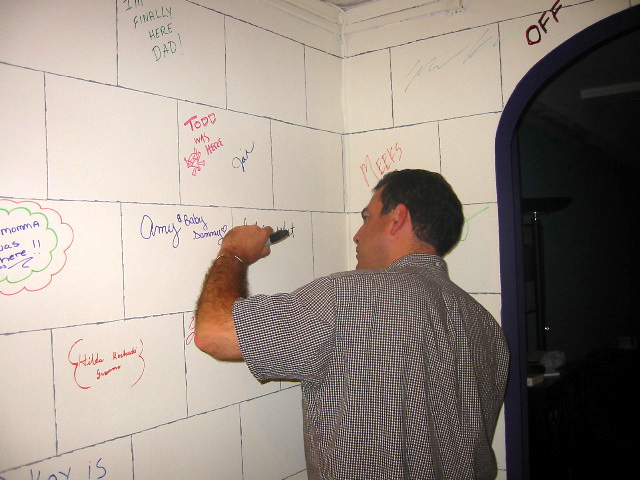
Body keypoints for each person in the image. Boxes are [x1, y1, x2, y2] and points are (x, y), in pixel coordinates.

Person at [195, 169, 510, 480]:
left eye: (366, 217)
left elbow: (215, 333)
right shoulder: (487, 329)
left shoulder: (345, 297)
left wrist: (234, 253)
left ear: (397, 218)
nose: (357, 235)